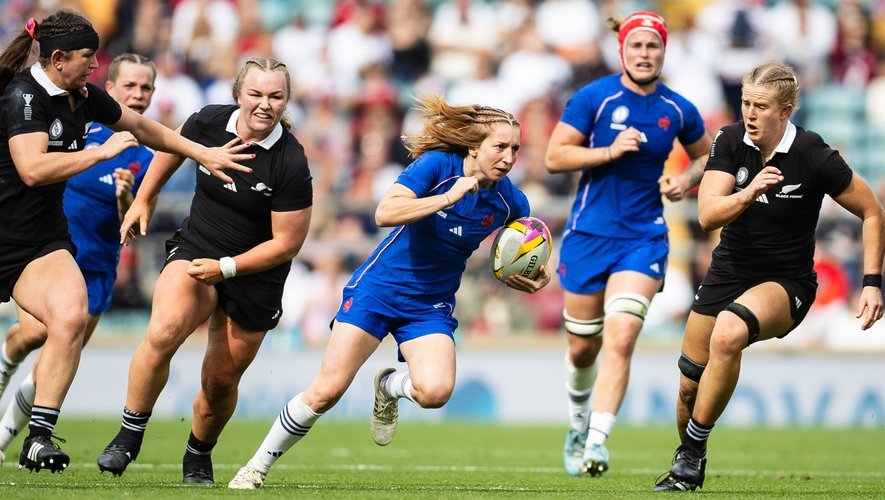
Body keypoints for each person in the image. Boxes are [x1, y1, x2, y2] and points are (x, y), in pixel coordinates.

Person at [226, 95, 551, 490]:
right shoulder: (438, 167)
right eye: (500, 146)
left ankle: (387, 387)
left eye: (515, 148)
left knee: (435, 392)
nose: (509, 156)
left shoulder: (510, 201)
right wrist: (447, 198)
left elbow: (527, 246)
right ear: (473, 146)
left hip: (430, 305)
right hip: (378, 290)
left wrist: (533, 274)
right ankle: (255, 467)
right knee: (326, 391)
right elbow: (384, 213)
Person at [0, 10, 250, 473]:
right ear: (57, 58)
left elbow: (146, 129)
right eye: (87, 58)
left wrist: (203, 153)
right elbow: (32, 170)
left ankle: (36, 438)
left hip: (41, 240)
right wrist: (99, 152)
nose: (94, 66)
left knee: (70, 319)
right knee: (38, 331)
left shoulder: (81, 96)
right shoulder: (23, 97)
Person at [652, 62, 884, 492]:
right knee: (688, 387)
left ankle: (689, 456)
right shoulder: (729, 139)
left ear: (786, 110)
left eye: (761, 106)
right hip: (729, 270)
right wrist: (750, 191)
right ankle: (691, 458)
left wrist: (872, 282)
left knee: (727, 333)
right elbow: (706, 215)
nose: (750, 114)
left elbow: (872, 210)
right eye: (745, 104)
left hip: (787, 281)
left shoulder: (814, 154)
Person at [96, 56, 313, 485]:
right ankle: (129, 435)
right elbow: (171, 151)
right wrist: (143, 199)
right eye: (255, 94)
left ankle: (198, 455)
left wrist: (228, 268)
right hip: (200, 247)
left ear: (287, 102)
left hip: (255, 273)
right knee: (163, 330)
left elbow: (287, 243)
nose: (265, 104)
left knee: (218, 382)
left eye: (276, 96)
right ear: (238, 94)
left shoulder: (290, 162)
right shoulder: (209, 121)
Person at [543, 11, 713, 477]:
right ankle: (578, 426)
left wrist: (686, 180)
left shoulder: (679, 108)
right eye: (636, 46)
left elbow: (707, 158)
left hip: (643, 239)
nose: (644, 54)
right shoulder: (593, 98)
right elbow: (554, 157)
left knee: (620, 337)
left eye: (652, 46)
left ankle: (597, 442)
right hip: (587, 237)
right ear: (623, 51)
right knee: (582, 349)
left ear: (663, 51)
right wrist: (609, 152)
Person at [0, 53, 157, 465]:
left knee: (53, 361)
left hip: (99, 267)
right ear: (112, 89)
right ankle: (5, 359)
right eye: (130, 87)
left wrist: (127, 197)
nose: (138, 95)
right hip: (45, 254)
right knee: (34, 335)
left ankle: (13, 441)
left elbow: (137, 224)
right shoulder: (80, 126)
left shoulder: (145, 156)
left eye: (146, 88)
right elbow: (34, 168)